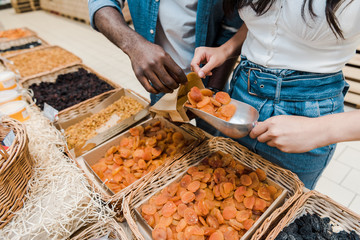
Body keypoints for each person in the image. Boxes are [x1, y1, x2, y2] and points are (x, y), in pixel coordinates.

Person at [191, 0, 360, 189]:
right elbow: (266, 19)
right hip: (242, 96)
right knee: (226, 193)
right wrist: (227, 49)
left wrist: (320, 130)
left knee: (281, 210)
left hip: (309, 114)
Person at [88, 0, 242, 106]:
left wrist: (212, 92)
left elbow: (231, 28)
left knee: (212, 142)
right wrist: (135, 46)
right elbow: (100, 3)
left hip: (210, 78)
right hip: (160, 79)